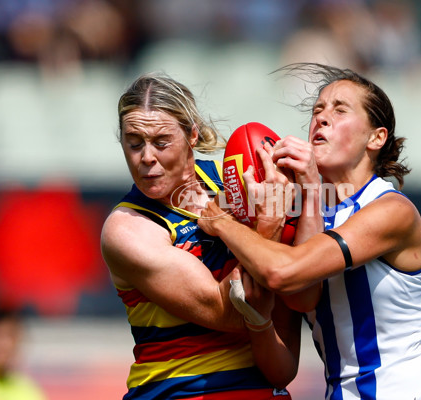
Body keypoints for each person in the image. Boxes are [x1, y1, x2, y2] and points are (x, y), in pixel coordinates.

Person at [198, 63, 421, 400]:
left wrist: (221, 222)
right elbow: (298, 311)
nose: (321, 118)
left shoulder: (392, 211)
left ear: (377, 137)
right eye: (318, 110)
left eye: (339, 109)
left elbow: (285, 272)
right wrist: (258, 318)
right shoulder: (304, 213)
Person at [100, 72, 301, 399]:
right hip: (179, 392)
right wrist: (268, 227)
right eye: (134, 143)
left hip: (266, 387)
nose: (146, 157)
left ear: (192, 135)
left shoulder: (229, 177)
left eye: (161, 142)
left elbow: (296, 281)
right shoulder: (127, 228)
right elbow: (232, 312)